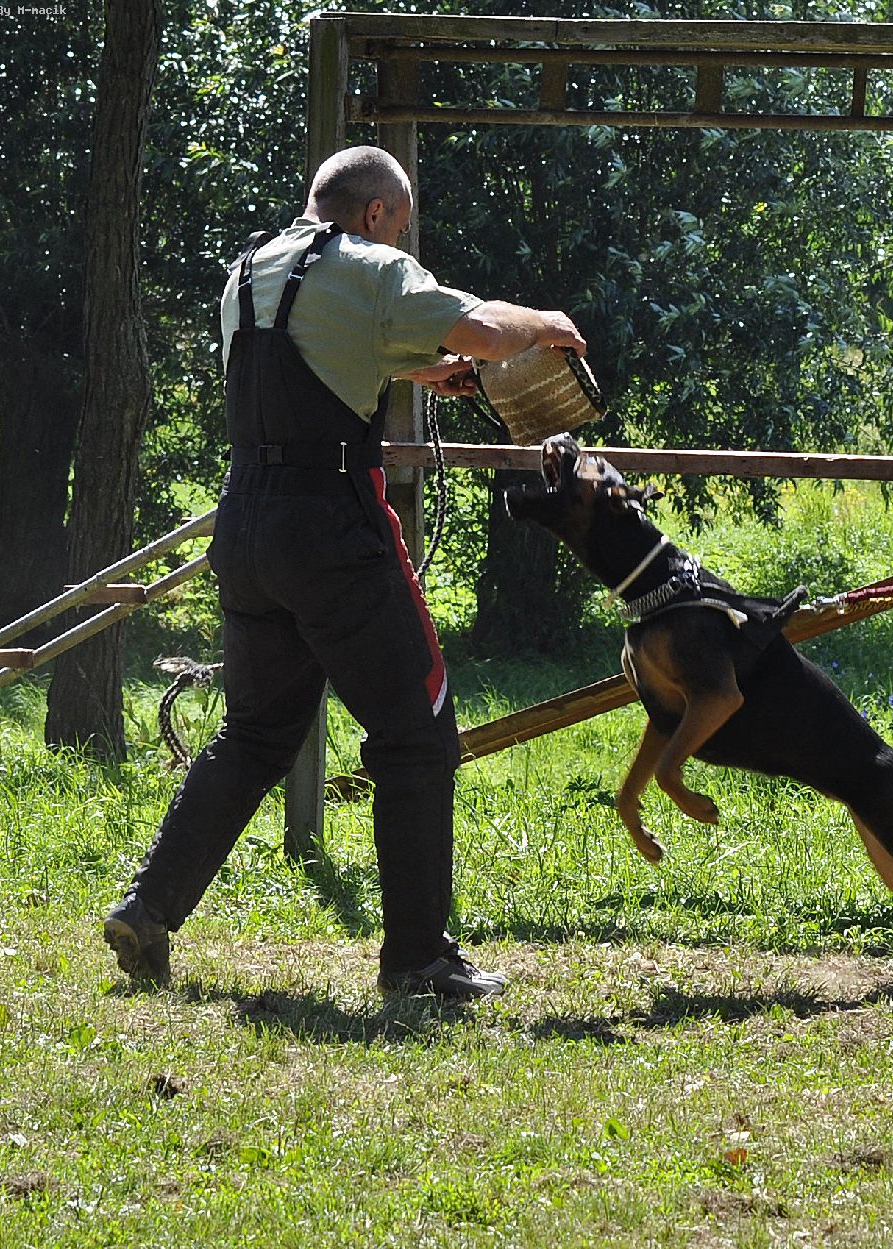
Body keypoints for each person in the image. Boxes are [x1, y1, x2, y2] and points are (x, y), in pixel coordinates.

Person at [103, 146, 586, 1000]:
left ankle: (148, 908)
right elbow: (482, 331)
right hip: (331, 528)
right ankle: (417, 960)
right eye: (399, 225)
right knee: (417, 733)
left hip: (246, 520)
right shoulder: (372, 264)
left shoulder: (251, 268)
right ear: (374, 214)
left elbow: (315, 356)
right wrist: (545, 321)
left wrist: (413, 366)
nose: (399, 240)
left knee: (255, 734)